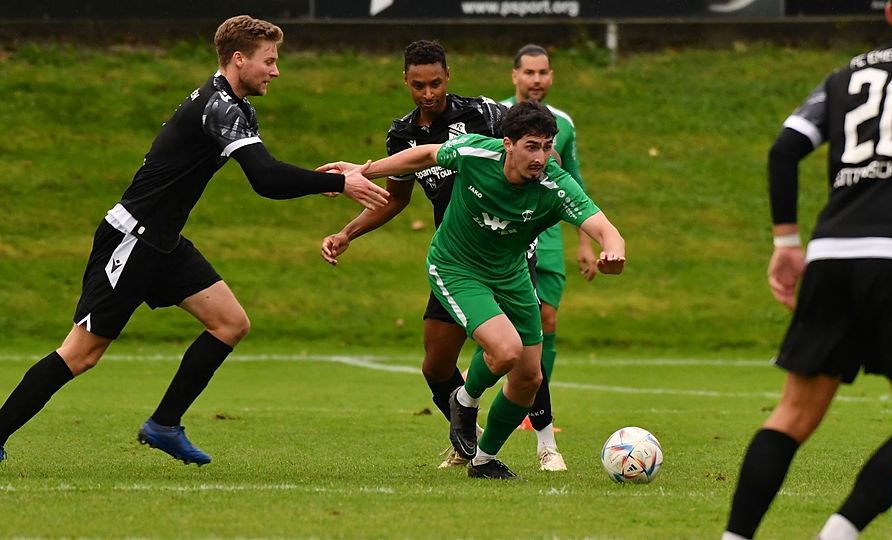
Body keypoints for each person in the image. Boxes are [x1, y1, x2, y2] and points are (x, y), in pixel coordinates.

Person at [0, 15, 389, 466]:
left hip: (163, 242)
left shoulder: (236, 106)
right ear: (239, 59)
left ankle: (164, 424)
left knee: (230, 323)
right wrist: (341, 184)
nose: (276, 71)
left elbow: (269, 171)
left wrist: (324, 180)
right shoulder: (218, 107)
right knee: (81, 354)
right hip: (131, 239)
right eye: (269, 61)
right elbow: (265, 179)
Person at [723, 1, 892, 538]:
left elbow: (784, 150)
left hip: (830, 255)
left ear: (890, 13)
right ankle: (839, 533)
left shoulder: (846, 74)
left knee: (792, 415)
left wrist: (787, 242)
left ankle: (734, 537)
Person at [322, 100, 625, 479]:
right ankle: (464, 400)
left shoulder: (555, 184)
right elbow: (425, 155)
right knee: (506, 350)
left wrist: (613, 252)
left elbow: (605, 228)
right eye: (532, 146)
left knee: (529, 379)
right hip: (457, 267)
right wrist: (362, 170)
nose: (541, 157)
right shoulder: (476, 153)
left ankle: (483, 460)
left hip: (511, 275)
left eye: (547, 147)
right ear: (508, 144)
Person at [321, 41, 566, 471]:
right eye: (418, 85)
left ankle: (546, 444)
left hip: (507, 250)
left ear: (448, 77)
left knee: (522, 351)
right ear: (405, 82)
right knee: (435, 365)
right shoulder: (402, 135)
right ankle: (466, 436)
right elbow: (395, 199)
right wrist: (347, 233)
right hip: (457, 259)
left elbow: (541, 152)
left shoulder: (484, 114)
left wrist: (542, 160)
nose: (428, 93)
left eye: (435, 83)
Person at [496, 44, 598, 469]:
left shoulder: (564, 124)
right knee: (509, 330)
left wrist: (585, 242)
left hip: (548, 232)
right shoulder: (494, 115)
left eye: (543, 72)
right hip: (506, 230)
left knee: (546, 319)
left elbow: (574, 184)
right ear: (514, 76)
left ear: (551, 76)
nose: (536, 80)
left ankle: (533, 407)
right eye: (529, 72)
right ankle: (506, 393)